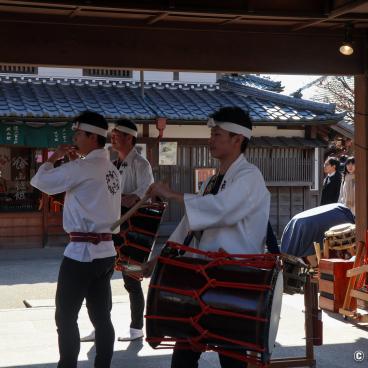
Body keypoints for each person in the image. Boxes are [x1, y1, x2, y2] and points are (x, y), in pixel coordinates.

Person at [146, 106, 270, 368]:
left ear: (237, 139)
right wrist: (161, 258)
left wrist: (172, 195)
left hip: (234, 282)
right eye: (211, 134)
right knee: (183, 356)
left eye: (217, 134)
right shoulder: (212, 181)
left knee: (231, 360)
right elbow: (191, 224)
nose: (210, 140)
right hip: (203, 279)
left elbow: (221, 209)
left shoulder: (250, 177)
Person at [30, 111, 121, 368]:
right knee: (102, 317)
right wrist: (74, 163)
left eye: (79, 133)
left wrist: (55, 158)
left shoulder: (82, 167)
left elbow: (40, 181)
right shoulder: (111, 169)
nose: (74, 137)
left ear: (93, 137)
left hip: (81, 253)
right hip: (105, 252)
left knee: (66, 318)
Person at [81, 118, 154, 343]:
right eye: (112, 134)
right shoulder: (113, 164)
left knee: (131, 277)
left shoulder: (141, 164)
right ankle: (100, 324)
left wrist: (126, 198)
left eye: (117, 134)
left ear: (129, 138)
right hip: (113, 232)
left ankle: (136, 328)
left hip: (133, 234)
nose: (112, 138)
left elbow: (146, 194)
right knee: (101, 277)